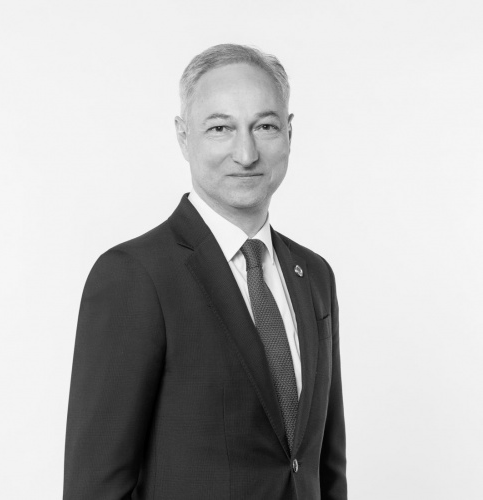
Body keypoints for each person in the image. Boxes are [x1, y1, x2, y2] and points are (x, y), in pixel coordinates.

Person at [63, 43, 347, 500]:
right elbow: (95, 486)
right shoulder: (135, 276)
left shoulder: (313, 275)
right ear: (183, 136)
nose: (246, 153)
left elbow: (324, 466)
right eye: (220, 128)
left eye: (265, 126)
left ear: (289, 133)